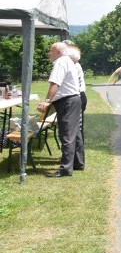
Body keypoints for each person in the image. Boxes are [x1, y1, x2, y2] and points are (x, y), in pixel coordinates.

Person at [37, 42, 83, 177]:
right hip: (73, 99)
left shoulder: (60, 61)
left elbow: (55, 84)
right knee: (76, 133)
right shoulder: (67, 60)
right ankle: (78, 163)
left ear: (58, 52)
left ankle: (65, 169)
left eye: (51, 51)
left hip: (67, 101)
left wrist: (46, 101)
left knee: (67, 135)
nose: (48, 54)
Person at [66, 43, 87, 167]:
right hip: (78, 95)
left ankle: (77, 160)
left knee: (76, 128)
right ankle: (77, 159)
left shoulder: (74, 65)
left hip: (77, 96)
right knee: (77, 128)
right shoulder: (74, 65)